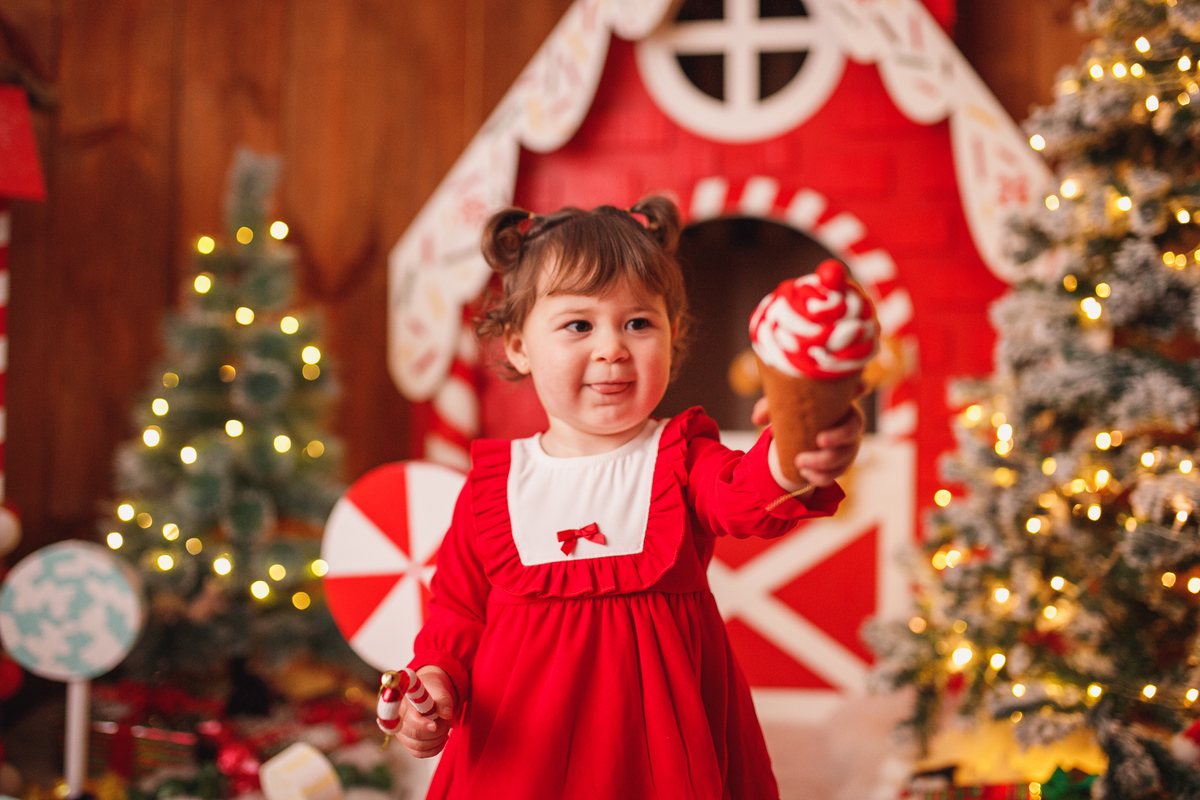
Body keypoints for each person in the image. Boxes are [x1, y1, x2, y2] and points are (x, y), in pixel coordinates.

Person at [396, 197, 865, 799]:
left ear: (674, 334)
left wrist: (794, 456)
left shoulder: (681, 457)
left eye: (639, 323)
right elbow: (457, 612)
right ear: (517, 345)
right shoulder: (495, 486)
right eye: (579, 325)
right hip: (524, 755)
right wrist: (436, 680)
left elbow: (743, 497)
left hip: (659, 756)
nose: (612, 348)